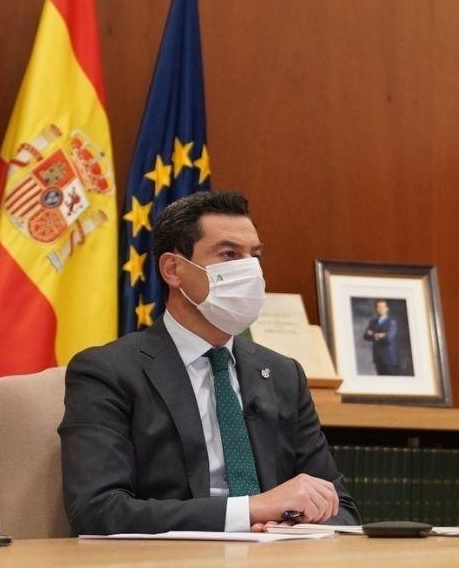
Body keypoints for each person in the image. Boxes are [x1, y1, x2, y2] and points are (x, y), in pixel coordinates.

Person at [60, 191, 360, 534]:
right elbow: (98, 510)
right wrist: (247, 512)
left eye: (254, 256)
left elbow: (342, 509)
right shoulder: (108, 372)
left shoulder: (282, 375)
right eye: (229, 254)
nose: (249, 270)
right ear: (174, 270)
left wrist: (288, 522)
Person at [362, 299, 401, 375]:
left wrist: (373, 334)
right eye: (378, 307)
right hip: (378, 358)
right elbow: (366, 336)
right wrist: (380, 335)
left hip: (389, 359)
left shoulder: (392, 322)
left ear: (387, 309)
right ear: (376, 309)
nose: (380, 309)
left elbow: (388, 339)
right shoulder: (373, 322)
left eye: (382, 307)